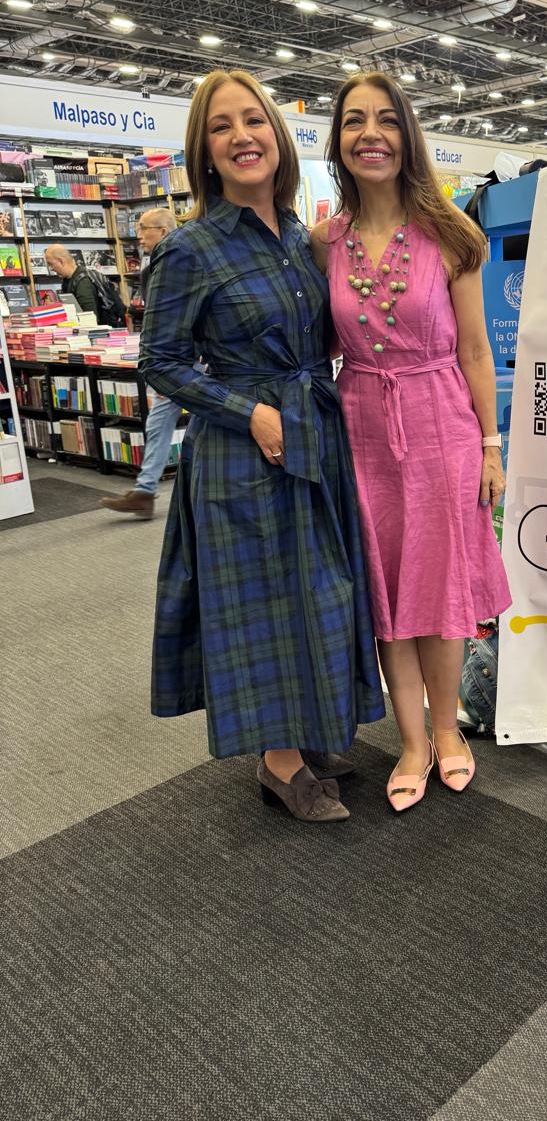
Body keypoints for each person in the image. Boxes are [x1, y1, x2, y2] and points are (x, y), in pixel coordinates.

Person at [140, 68, 384, 822]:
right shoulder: (191, 247)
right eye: (222, 127)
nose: (242, 136)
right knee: (265, 603)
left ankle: (308, 735)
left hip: (315, 431)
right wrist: (248, 412)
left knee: (320, 589)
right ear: (205, 152)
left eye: (254, 121)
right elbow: (161, 361)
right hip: (245, 453)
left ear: (277, 138)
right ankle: (279, 763)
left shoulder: (300, 238)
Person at [311, 71, 511, 812]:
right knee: (389, 592)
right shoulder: (321, 241)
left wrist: (492, 444)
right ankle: (413, 741)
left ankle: (450, 732)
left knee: (442, 589)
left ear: (408, 135)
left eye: (386, 120)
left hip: (442, 425)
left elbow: (477, 353)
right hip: (360, 424)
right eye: (355, 120)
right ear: (337, 140)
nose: (371, 133)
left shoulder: (452, 233)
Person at [99, 208, 180, 519]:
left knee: (165, 420)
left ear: (162, 230)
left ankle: (147, 491)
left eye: (145, 228)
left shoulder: (175, 263)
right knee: (166, 421)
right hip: (178, 359)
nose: (140, 235)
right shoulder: (152, 267)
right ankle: (145, 490)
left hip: (183, 359)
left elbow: (175, 318)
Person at [44, 245, 98, 316]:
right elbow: (72, 309)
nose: (51, 268)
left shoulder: (83, 282)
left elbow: (91, 317)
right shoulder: (68, 279)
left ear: (61, 261)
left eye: (51, 264)